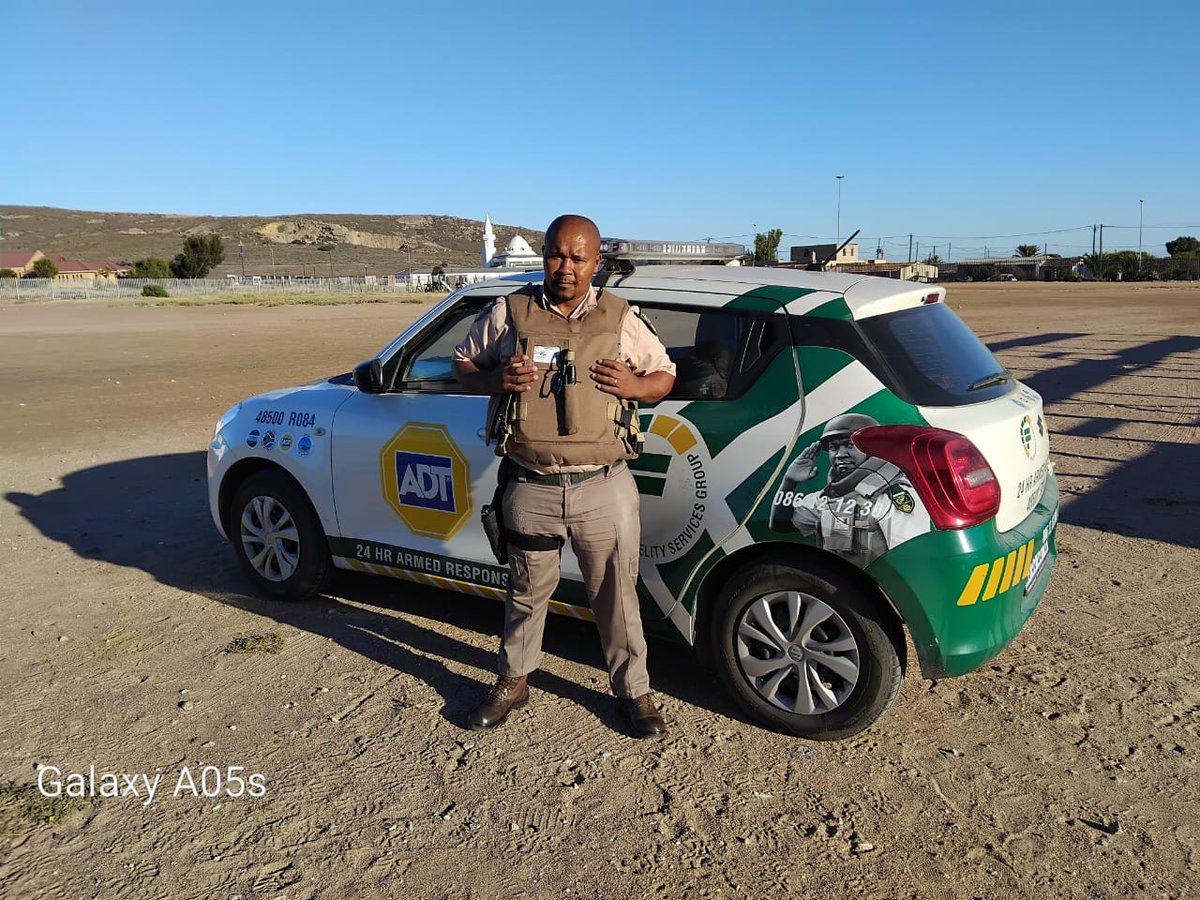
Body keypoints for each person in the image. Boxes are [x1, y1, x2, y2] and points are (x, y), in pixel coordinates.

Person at [451, 214, 676, 738]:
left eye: (578, 258)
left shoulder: (621, 317)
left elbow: (664, 374)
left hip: (604, 486)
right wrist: (494, 378)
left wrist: (634, 386)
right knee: (526, 590)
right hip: (531, 483)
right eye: (556, 254)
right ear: (544, 255)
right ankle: (513, 680)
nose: (565, 267)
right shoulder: (510, 312)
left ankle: (633, 691)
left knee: (617, 596)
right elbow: (462, 364)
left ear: (596, 262)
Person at [768, 413, 931, 567]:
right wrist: (789, 482)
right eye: (834, 448)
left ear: (874, 449)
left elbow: (911, 557)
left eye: (849, 445)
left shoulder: (892, 492)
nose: (840, 454)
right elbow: (781, 524)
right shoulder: (830, 495)